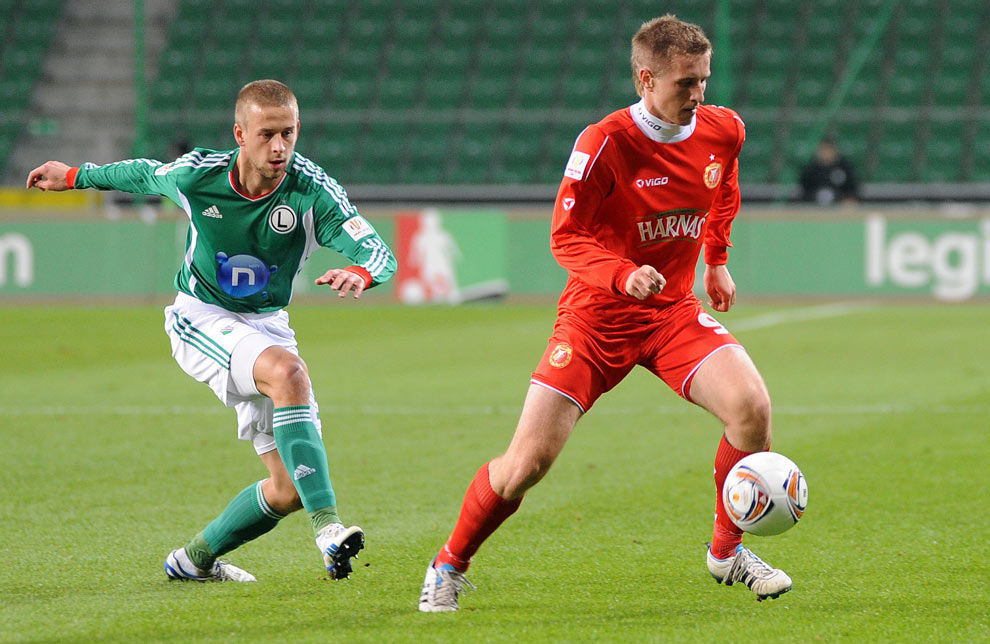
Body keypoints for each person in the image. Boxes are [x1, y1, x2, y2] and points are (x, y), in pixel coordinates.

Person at [418, 15, 793, 612]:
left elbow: (724, 189)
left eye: (704, 79)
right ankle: (449, 563)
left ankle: (726, 552)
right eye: (685, 83)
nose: (698, 94)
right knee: (525, 466)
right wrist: (622, 274)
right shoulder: (604, 143)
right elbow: (565, 238)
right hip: (595, 321)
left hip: (671, 313)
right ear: (646, 79)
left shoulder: (724, 130)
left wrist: (716, 260)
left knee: (752, 409)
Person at [27, 79, 396, 582]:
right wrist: (75, 175)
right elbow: (144, 173)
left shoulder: (311, 191)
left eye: (288, 133)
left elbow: (376, 250)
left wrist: (362, 272)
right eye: (267, 134)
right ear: (240, 134)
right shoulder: (199, 175)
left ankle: (192, 561)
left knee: (288, 489)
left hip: (267, 325)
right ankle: (328, 529)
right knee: (289, 373)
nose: (280, 147)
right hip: (201, 317)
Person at [799, 136, 860, 205]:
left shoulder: (845, 167)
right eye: (823, 150)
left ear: (835, 151)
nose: (826, 153)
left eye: (829, 150)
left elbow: (852, 188)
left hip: (840, 206)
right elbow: (804, 190)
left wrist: (850, 199)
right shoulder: (810, 169)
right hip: (814, 206)